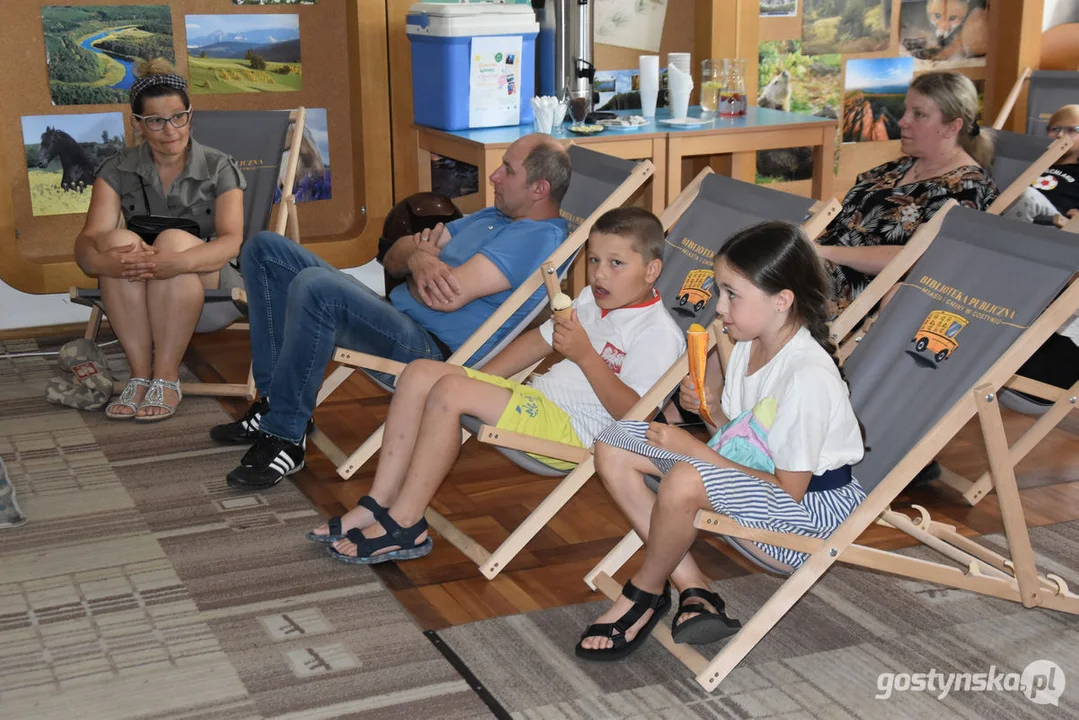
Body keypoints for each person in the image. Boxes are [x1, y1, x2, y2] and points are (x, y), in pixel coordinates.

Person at [304, 207, 685, 563]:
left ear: (651, 271)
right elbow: (539, 341)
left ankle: (406, 524)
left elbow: (637, 417)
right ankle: (378, 502)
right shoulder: (589, 300)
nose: (600, 273)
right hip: (539, 402)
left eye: (616, 263)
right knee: (421, 372)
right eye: (595, 259)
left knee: (450, 392)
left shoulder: (657, 333)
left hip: (578, 431)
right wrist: (480, 380)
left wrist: (586, 356)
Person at [213, 133, 572, 489]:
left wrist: (420, 264)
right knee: (264, 249)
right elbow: (395, 254)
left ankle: (286, 438)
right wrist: (419, 260)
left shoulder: (537, 238)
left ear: (539, 189)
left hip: (429, 349)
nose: (494, 176)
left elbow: (441, 297)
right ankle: (276, 402)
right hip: (395, 316)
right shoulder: (493, 217)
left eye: (507, 170)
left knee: (316, 287)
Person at [577, 221, 866, 661]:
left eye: (732, 294)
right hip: (763, 482)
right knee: (614, 442)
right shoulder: (749, 343)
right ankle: (693, 587)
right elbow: (746, 441)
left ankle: (646, 590)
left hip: (810, 514)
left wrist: (696, 450)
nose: (719, 306)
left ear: (781, 301)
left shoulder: (808, 377)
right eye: (720, 291)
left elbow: (787, 488)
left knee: (688, 476)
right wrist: (711, 413)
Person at [74, 58, 246, 421]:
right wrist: (105, 262)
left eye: (178, 117)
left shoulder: (219, 166)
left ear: (190, 115)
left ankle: (167, 375)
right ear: (138, 123)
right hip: (142, 279)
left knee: (174, 239)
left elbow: (232, 241)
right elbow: (88, 240)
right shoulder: (117, 168)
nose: (170, 130)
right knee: (117, 241)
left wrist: (177, 262)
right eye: (155, 120)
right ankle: (140, 375)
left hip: (210, 279)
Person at [815, 71, 998, 310]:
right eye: (906, 110)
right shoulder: (897, 167)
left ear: (953, 126)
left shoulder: (968, 189)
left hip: (866, 292)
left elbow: (920, 259)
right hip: (821, 264)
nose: (902, 121)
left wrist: (823, 252)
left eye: (919, 114)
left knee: (765, 284)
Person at [1003, 104, 1079, 227]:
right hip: (1022, 216)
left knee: (1029, 196)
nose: (1059, 135)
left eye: (1071, 130)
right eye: (1055, 129)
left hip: (1056, 225)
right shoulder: (1036, 165)